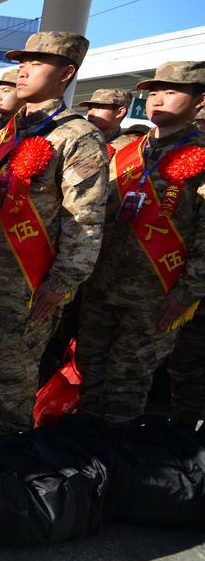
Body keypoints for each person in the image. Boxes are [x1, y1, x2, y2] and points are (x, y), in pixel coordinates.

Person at [0, 31, 108, 438]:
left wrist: (60, 285)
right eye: (22, 62)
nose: (22, 70)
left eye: (36, 63)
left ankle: (10, 457)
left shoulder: (79, 137)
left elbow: (85, 220)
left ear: (67, 73)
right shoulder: (8, 131)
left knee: (13, 376)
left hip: (28, 282)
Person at [76, 61, 205, 425]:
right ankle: (80, 456)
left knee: (126, 387)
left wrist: (186, 293)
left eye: (171, 91)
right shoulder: (129, 150)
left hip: (156, 294)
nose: (158, 99)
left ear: (200, 101)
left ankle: (114, 464)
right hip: (103, 284)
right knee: (89, 373)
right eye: (153, 92)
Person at [77, 88, 141, 158]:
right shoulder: (78, 139)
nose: (90, 113)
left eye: (99, 108)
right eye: (90, 108)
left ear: (120, 112)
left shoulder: (130, 148)